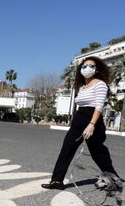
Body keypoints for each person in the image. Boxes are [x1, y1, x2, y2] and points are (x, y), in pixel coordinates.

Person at [42, 56, 119, 190]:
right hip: (79, 117)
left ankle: (116, 181)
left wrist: (91, 124)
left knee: (98, 153)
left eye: (91, 66)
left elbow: (99, 106)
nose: (87, 68)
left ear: (96, 70)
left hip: (93, 118)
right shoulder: (82, 87)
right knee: (67, 148)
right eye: (84, 66)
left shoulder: (100, 84)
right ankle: (57, 181)